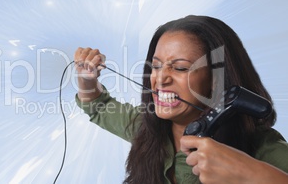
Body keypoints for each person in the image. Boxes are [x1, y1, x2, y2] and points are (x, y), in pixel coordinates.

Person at [73, 15, 288, 184]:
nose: (160, 78)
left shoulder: (261, 146)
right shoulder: (146, 129)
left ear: (216, 80)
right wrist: (86, 79)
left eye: (180, 68)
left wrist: (249, 173)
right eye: (156, 66)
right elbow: (98, 106)